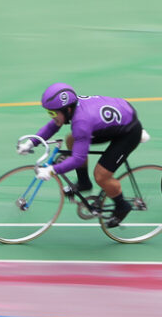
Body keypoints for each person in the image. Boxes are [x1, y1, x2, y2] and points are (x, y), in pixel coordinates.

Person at [18, 83, 145, 229]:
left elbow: (78, 159)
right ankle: (84, 182)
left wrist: (52, 170)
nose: (51, 116)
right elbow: (53, 125)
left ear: (68, 109)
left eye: (53, 113)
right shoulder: (71, 109)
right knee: (71, 139)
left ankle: (122, 206)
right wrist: (30, 143)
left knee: (101, 175)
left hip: (128, 132)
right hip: (117, 117)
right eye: (49, 113)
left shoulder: (81, 122)